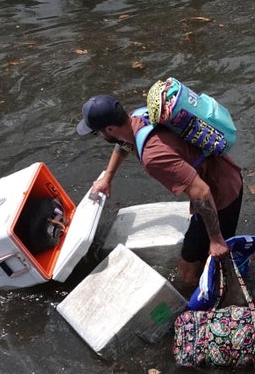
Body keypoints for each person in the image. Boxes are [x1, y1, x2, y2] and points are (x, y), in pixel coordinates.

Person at [76, 94, 243, 285]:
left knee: (189, 271)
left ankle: (222, 298)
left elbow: (202, 192)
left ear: (110, 129)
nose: (98, 137)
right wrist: (107, 178)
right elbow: (123, 145)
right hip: (226, 172)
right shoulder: (138, 117)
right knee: (207, 256)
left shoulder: (152, 156)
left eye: (96, 133)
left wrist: (216, 239)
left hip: (221, 195)